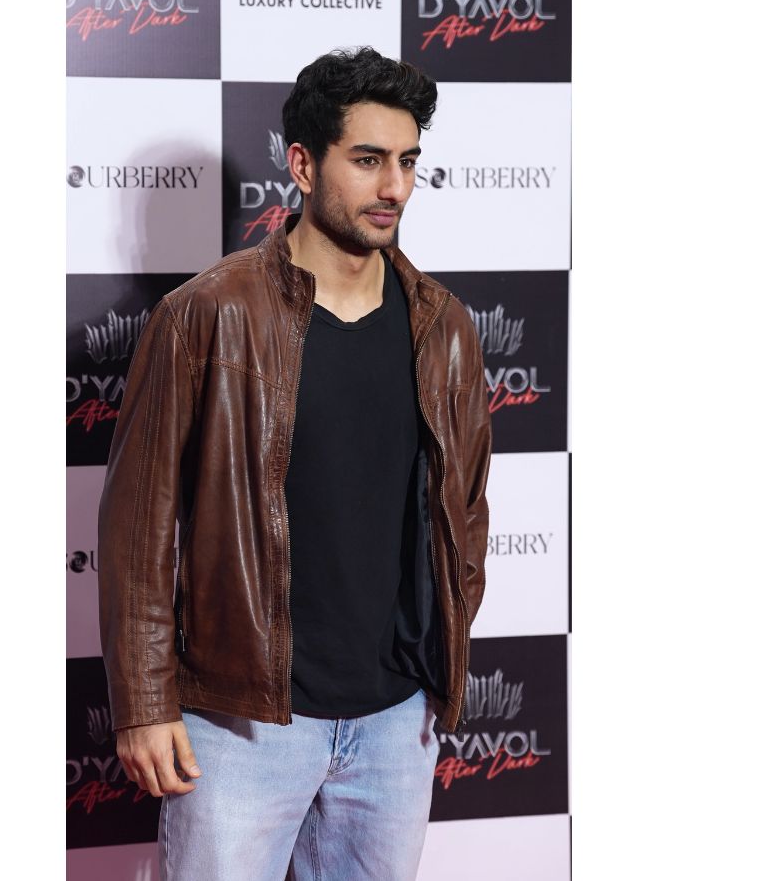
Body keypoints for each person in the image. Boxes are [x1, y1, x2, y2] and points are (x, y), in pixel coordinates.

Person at [97, 46, 492, 881]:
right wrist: (144, 703)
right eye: (368, 160)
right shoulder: (206, 315)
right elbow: (138, 526)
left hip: (396, 723)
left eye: (408, 161)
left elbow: (465, 509)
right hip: (240, 722)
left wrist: (437, 673)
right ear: (304, 164)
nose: (394, 187)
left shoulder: (445, 327)